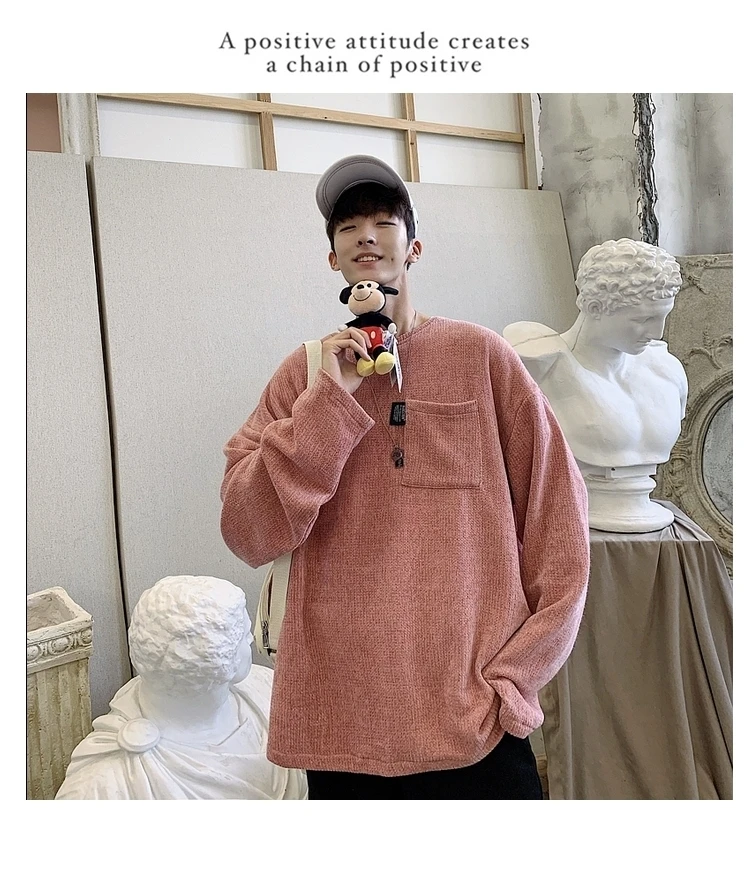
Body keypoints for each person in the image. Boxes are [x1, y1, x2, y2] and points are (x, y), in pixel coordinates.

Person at [220, 154, 590, 799]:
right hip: (343, 722)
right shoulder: (304, 374)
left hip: (478, 717)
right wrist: (327, 404)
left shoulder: (481, 357)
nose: (366, 236)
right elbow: (248, 531)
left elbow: (558, 520)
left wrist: (516, 678)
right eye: (348, 227)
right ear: (332, 259)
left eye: (383, 222)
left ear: (414, 247)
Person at [55, 575, 307, 800]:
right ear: (218, 660)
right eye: (243, 634)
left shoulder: (268, 689)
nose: (251, 637)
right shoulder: (103, 785)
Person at [504, 238, 687, 533]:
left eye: (663, 316)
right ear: (595, 307)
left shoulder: (666, 370)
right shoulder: (539, 364)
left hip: (645, 509)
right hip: (576, 512)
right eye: (643, 319)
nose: (657, 332)